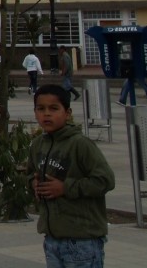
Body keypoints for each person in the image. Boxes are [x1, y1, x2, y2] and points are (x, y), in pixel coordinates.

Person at [28, 84, 115, 267]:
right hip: (52, 239)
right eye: (41, 109)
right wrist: (33, 184)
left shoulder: (80, 144)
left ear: (67, 113)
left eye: (54, 108)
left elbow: (105, 180)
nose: (47, 114)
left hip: (82, 240)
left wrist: (65, 188)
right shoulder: (37, 145)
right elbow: (30, 174)